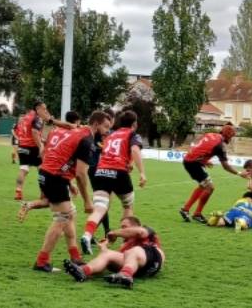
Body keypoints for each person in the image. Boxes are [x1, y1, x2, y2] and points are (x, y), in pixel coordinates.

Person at [32, 110, 111, 272]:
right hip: (55, 178)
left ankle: (75, 256)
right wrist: (88, 201)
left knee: (70, 214)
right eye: (105, 127)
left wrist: (68, 182)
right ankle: (41, 261)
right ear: (96, 124)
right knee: (62, 217)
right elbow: (81, 174)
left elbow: (63, 157)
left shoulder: (78, 130)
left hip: (48, 174)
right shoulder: (87, 140)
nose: (107, 131)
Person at [81, 111, 147, 253]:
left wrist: (127, 162)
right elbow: (135, 149)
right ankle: (126, 240)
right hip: (118, 172)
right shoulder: (132, 134)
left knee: (99, 208)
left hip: (101, 171)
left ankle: (87, 235)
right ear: (134, 124)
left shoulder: (110, 135)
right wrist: (142, 172)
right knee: (127, 205)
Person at [63, 216, 164, 289]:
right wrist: (104, 247)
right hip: (138, 270)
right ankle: (84, 271)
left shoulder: (145, 230)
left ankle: (125, 274)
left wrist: (114, 233)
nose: (122, 230)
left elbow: (139, 232)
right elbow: (111, 263)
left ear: (136, 225)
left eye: (124, 227)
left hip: (154, 259)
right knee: (108, 255)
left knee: (133, 251)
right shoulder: (125, 246)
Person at [179, 123, 244, 224]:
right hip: (193, 163)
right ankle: (196, 213)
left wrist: (204, 160)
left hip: (189, 160)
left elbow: (198, 147)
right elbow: (226, 166)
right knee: (210, 187)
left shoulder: (210, 134)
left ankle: (186, 209)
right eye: (231, 136)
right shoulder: (220, 146)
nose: (231, 139)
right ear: (227, 135)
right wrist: (239, 173)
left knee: (203, 185)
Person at [13, 101, 47, 201]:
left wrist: (41, 139)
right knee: (42, 169)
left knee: (23, 169)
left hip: (22, 145)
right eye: (44, 109)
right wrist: (40, 145)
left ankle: (18, 191)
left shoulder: (25, 118)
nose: (45, 111)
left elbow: (20, 131)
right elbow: (34, 132)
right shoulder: (37, 118)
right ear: (38, 109)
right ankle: (43, 193)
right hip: (33, 147)